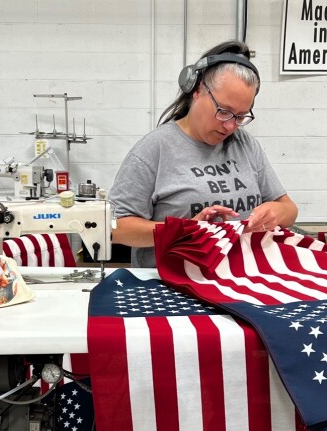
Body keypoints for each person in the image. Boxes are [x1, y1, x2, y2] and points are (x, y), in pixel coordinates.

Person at [109, 40, 298, 267]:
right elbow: (117, 229)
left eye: (240, 117)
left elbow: (290, 210)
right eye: (224, 111)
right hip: (174, 284)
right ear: (197, 90)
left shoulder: (245, 144)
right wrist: (185, 231)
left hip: (239, 278)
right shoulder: (155, 149)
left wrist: (275, 212)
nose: (230, 126)